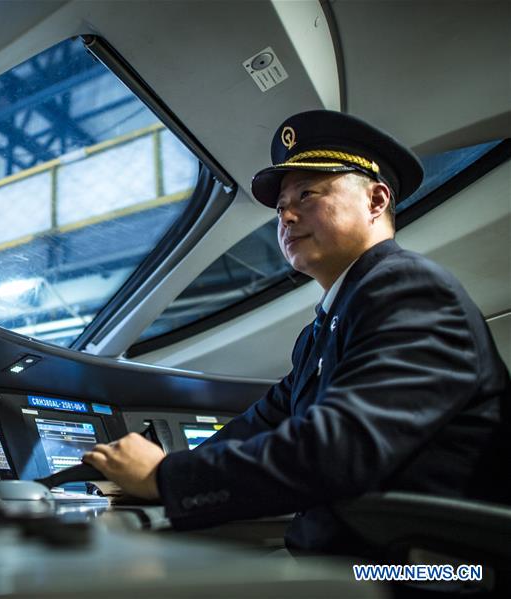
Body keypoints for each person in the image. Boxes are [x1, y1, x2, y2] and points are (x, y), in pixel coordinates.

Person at [82, 110, 511, 555]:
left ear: (377, 200)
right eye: (281, 204)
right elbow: (263, 422)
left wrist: (164, 479)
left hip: (421, 572)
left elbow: (338, 449)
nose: (285, 214)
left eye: (307, 193)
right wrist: (163, 472)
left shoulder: (409, 291)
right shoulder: (325, 327)